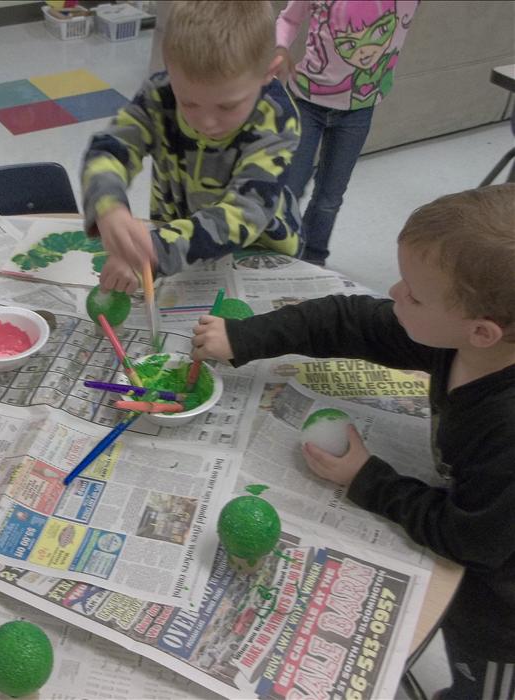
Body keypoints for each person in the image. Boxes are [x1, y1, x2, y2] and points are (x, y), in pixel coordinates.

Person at [191, 185, 515, 700]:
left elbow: (472, 541)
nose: (393, 292)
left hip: (501, 607)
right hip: (485, 516)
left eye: (413, 292)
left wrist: (367, 479)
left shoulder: (504, 426)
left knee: (478, 674)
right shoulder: (457, 339)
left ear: (482, 332)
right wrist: (245, 337)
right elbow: (346, 320)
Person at [81, 0, 302, 294]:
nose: (207, 122)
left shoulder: (275, 121)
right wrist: (109, 207)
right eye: (189, 102)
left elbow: (243, 214)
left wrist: (155, 251)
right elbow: (109, 149)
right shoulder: (159, 94)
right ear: (169, 67)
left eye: (228, 105)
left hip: (259, 253)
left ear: (268, 72)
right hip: (182, 243)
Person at [276, 0, 419, 265]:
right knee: (290, 186)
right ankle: (281, 251)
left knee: (330, 195)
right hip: (306, 103)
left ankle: (314, 256)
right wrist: (281, 47)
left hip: (357, 112)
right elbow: (288, 19)